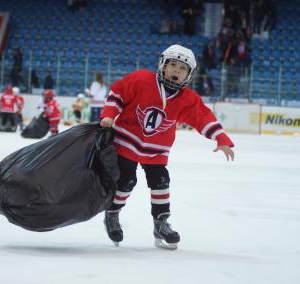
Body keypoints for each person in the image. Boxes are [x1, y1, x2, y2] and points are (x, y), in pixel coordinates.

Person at [100, 44, 235, 249]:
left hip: (156, 149)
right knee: (127, 181)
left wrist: (221, 138)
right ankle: (112, 213)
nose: (176, 71)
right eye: (173, 65)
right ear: (162, 65)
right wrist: (109, 116)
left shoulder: (187, 98)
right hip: (127, 141)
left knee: (161, 181)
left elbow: (202, 117)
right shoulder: (141, 79)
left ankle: (160, 223)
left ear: (188, 75)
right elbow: (117, 95)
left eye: (182, 69)